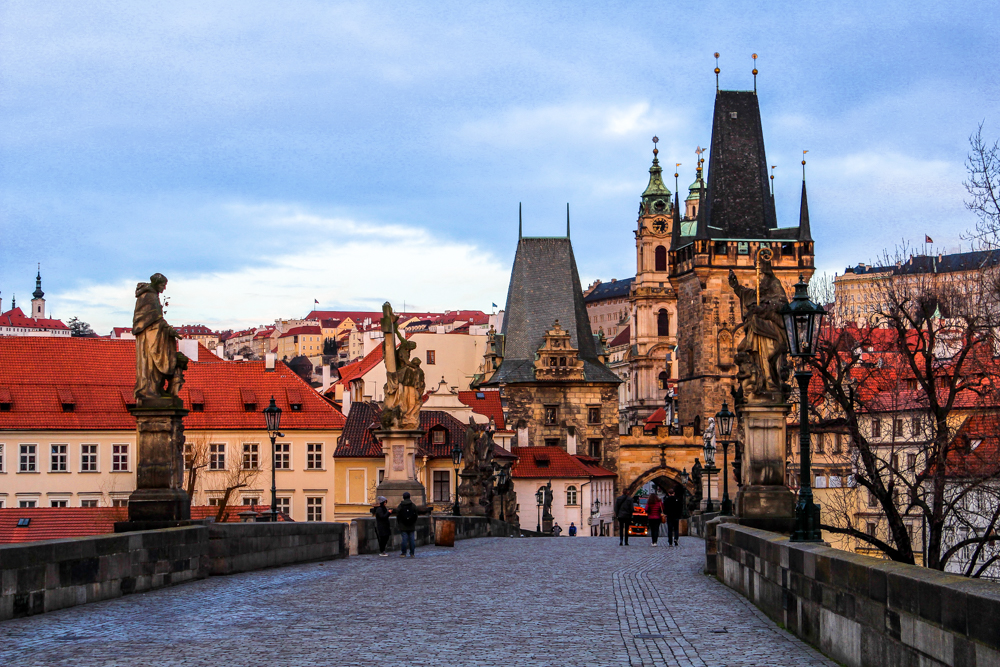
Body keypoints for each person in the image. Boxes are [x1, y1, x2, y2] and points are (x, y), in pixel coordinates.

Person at [395, 492, 419, 558]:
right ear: (409, 497)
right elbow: (416, 515)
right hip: (411, 525)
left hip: (403, 525)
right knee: (411, 540)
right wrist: (413, 522)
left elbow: (398, 514)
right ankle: (412, 553)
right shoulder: (413, 505)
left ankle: (403, 553)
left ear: (403, 497)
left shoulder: (401, 505)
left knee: (404, 540)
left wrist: (399, 523)